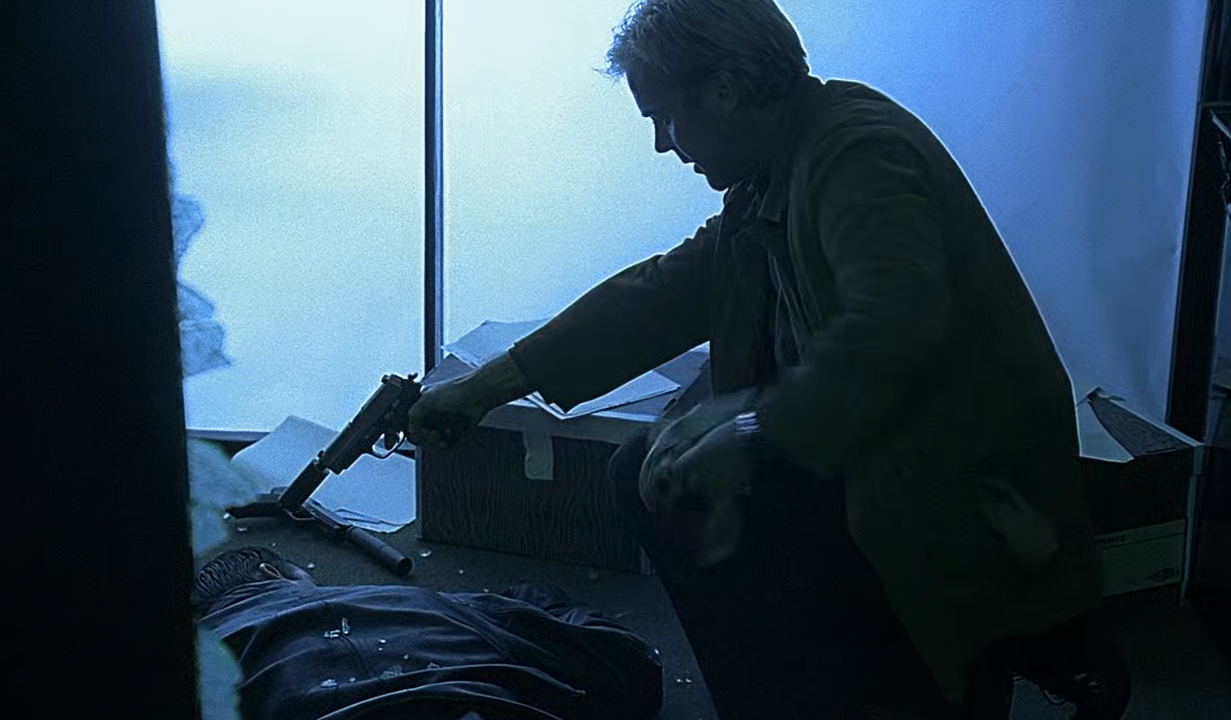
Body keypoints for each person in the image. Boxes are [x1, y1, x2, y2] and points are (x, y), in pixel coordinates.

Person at [407, 0, 1105, 717]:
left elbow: (893, 332)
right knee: (650, 470)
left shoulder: (861, 156)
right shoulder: (776, 166)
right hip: (878, 449)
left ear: (726, 88)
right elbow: (666, 292)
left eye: (664, 117)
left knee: (703, 487)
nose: (662, 145)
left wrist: (748, 431)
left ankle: (977, 654)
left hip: (955, 483)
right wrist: (486, 387)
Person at [195, 546, 664, 720]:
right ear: (273, 574)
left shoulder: (194, 667)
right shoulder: (431, 603)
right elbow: (631, 666)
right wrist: (536, 594)